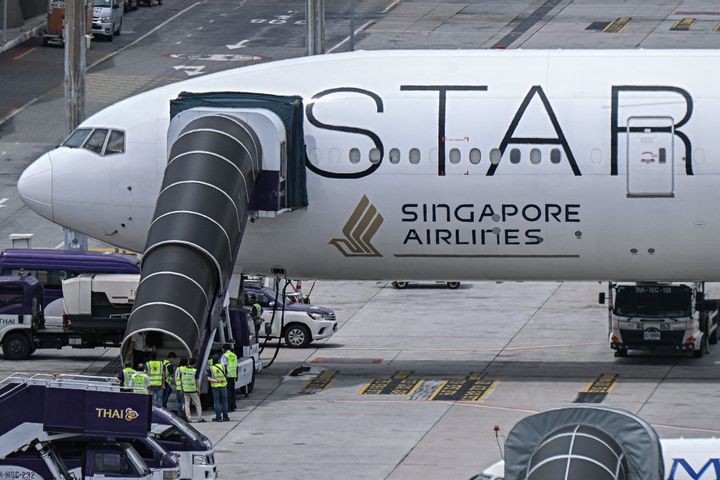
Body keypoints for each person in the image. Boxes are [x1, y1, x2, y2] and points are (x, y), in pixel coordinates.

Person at [181, 357, 205, 423]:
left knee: (187, 404)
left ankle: (188, 418)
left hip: (185, 389)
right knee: (197, 404)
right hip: (193, 390)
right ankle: (199, 418)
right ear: (194, 364)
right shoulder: (194, 371)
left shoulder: (183, 370)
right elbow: (197, 381)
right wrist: (199, 389)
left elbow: (181, 379)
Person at [207, 355, 229, 422]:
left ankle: (218, 417)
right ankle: (225, 417)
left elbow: (208, 378)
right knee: (224, 402)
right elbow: (227, 375)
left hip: (215, 387)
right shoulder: (223, 366)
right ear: (219, 360)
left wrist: (216, 381)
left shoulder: (211, 368)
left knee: (217, 402)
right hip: (223, 386)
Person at [222, 344, 238, 411]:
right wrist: (236, 375)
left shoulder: (224, 356)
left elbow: (224, 366)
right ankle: (233, 405)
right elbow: (236, 366)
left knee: (227, 392)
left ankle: (228, 406)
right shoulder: (234, 355)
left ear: (224, 349)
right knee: (232, 391)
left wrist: (224, 375)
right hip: (233, 375)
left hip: (227, 375)